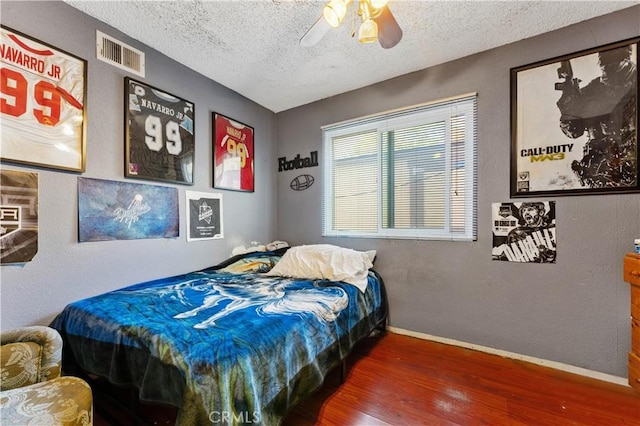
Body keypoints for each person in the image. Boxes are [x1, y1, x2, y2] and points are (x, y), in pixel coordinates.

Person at [556, 45, 637, 188]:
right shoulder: (594, 89)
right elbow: (574, 131)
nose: (606, 70)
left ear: (626, 60)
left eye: (612, 64)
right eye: (603, 65)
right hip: (599, 169)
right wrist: (568, 103)